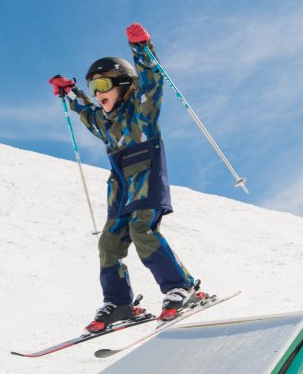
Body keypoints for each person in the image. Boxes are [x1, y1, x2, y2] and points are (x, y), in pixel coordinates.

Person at [49, 23, 202, 332]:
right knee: (109, 241)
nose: (98, 93)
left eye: (103, 84)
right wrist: (70, 92)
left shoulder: (142, 108)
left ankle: (180, 287)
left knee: (142, 229)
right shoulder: (104, 122)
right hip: (119, 186)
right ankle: (119, 303)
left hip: (145, 177)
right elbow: (84, 110)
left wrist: (142, 49)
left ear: (124, 83)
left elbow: (151, 80)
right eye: (94, 88)